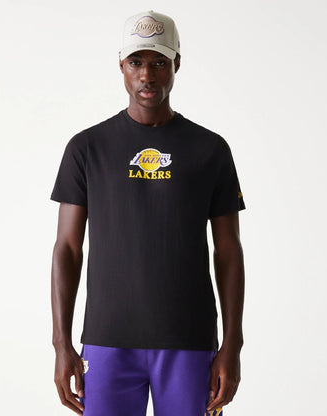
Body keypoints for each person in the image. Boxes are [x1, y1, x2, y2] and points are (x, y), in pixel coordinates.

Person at [50, 10, 246, 416]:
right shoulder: (87, 148)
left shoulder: (210, 149)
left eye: (159, 62)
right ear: (121, 65)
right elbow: (67, 249)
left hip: (189, 341)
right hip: (107, 341)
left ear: (177, 63)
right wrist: (61, 344)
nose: (147, 75)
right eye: (136, 62)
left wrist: (232, 344)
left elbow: (228, 250)